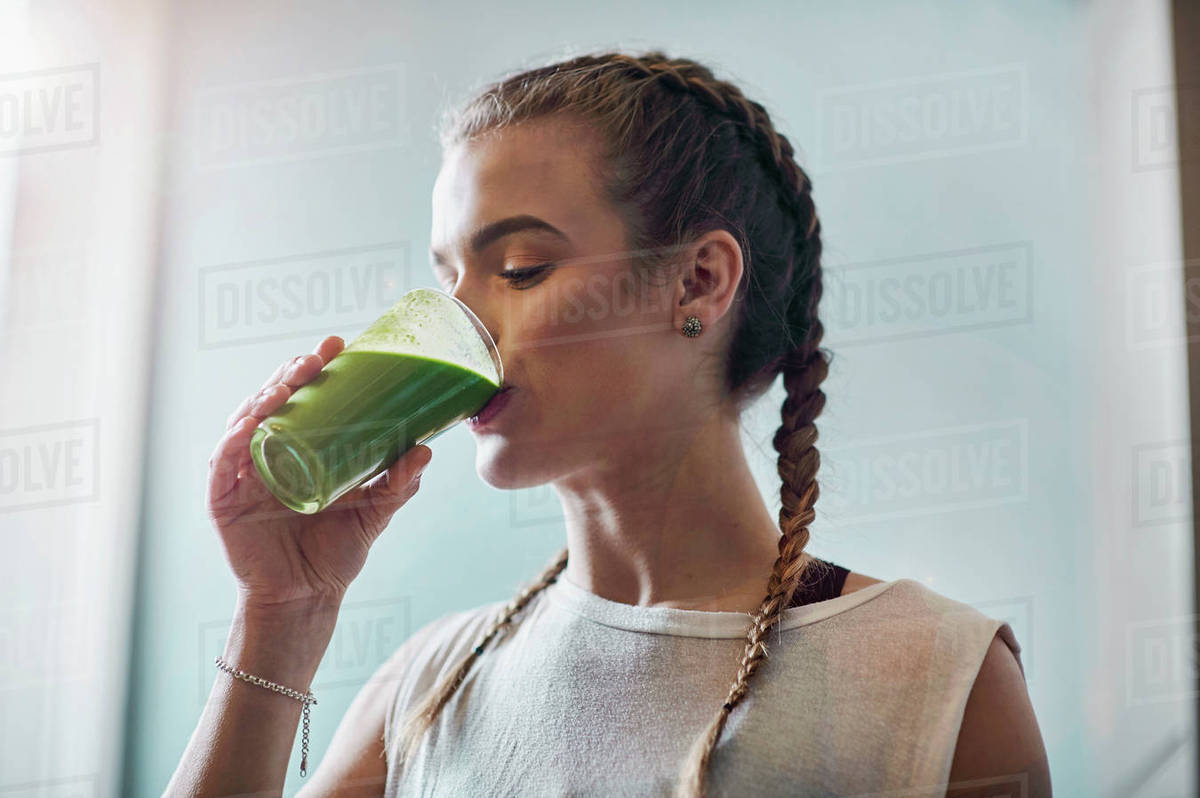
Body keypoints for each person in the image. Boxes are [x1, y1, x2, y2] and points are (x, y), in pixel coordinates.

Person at [166, 49, 1051, 797]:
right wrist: (281, 615)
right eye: (448, 283)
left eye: (518, 268)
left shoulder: (934, 678)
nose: (462, 325)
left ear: (698, 282)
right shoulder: (430, 689)